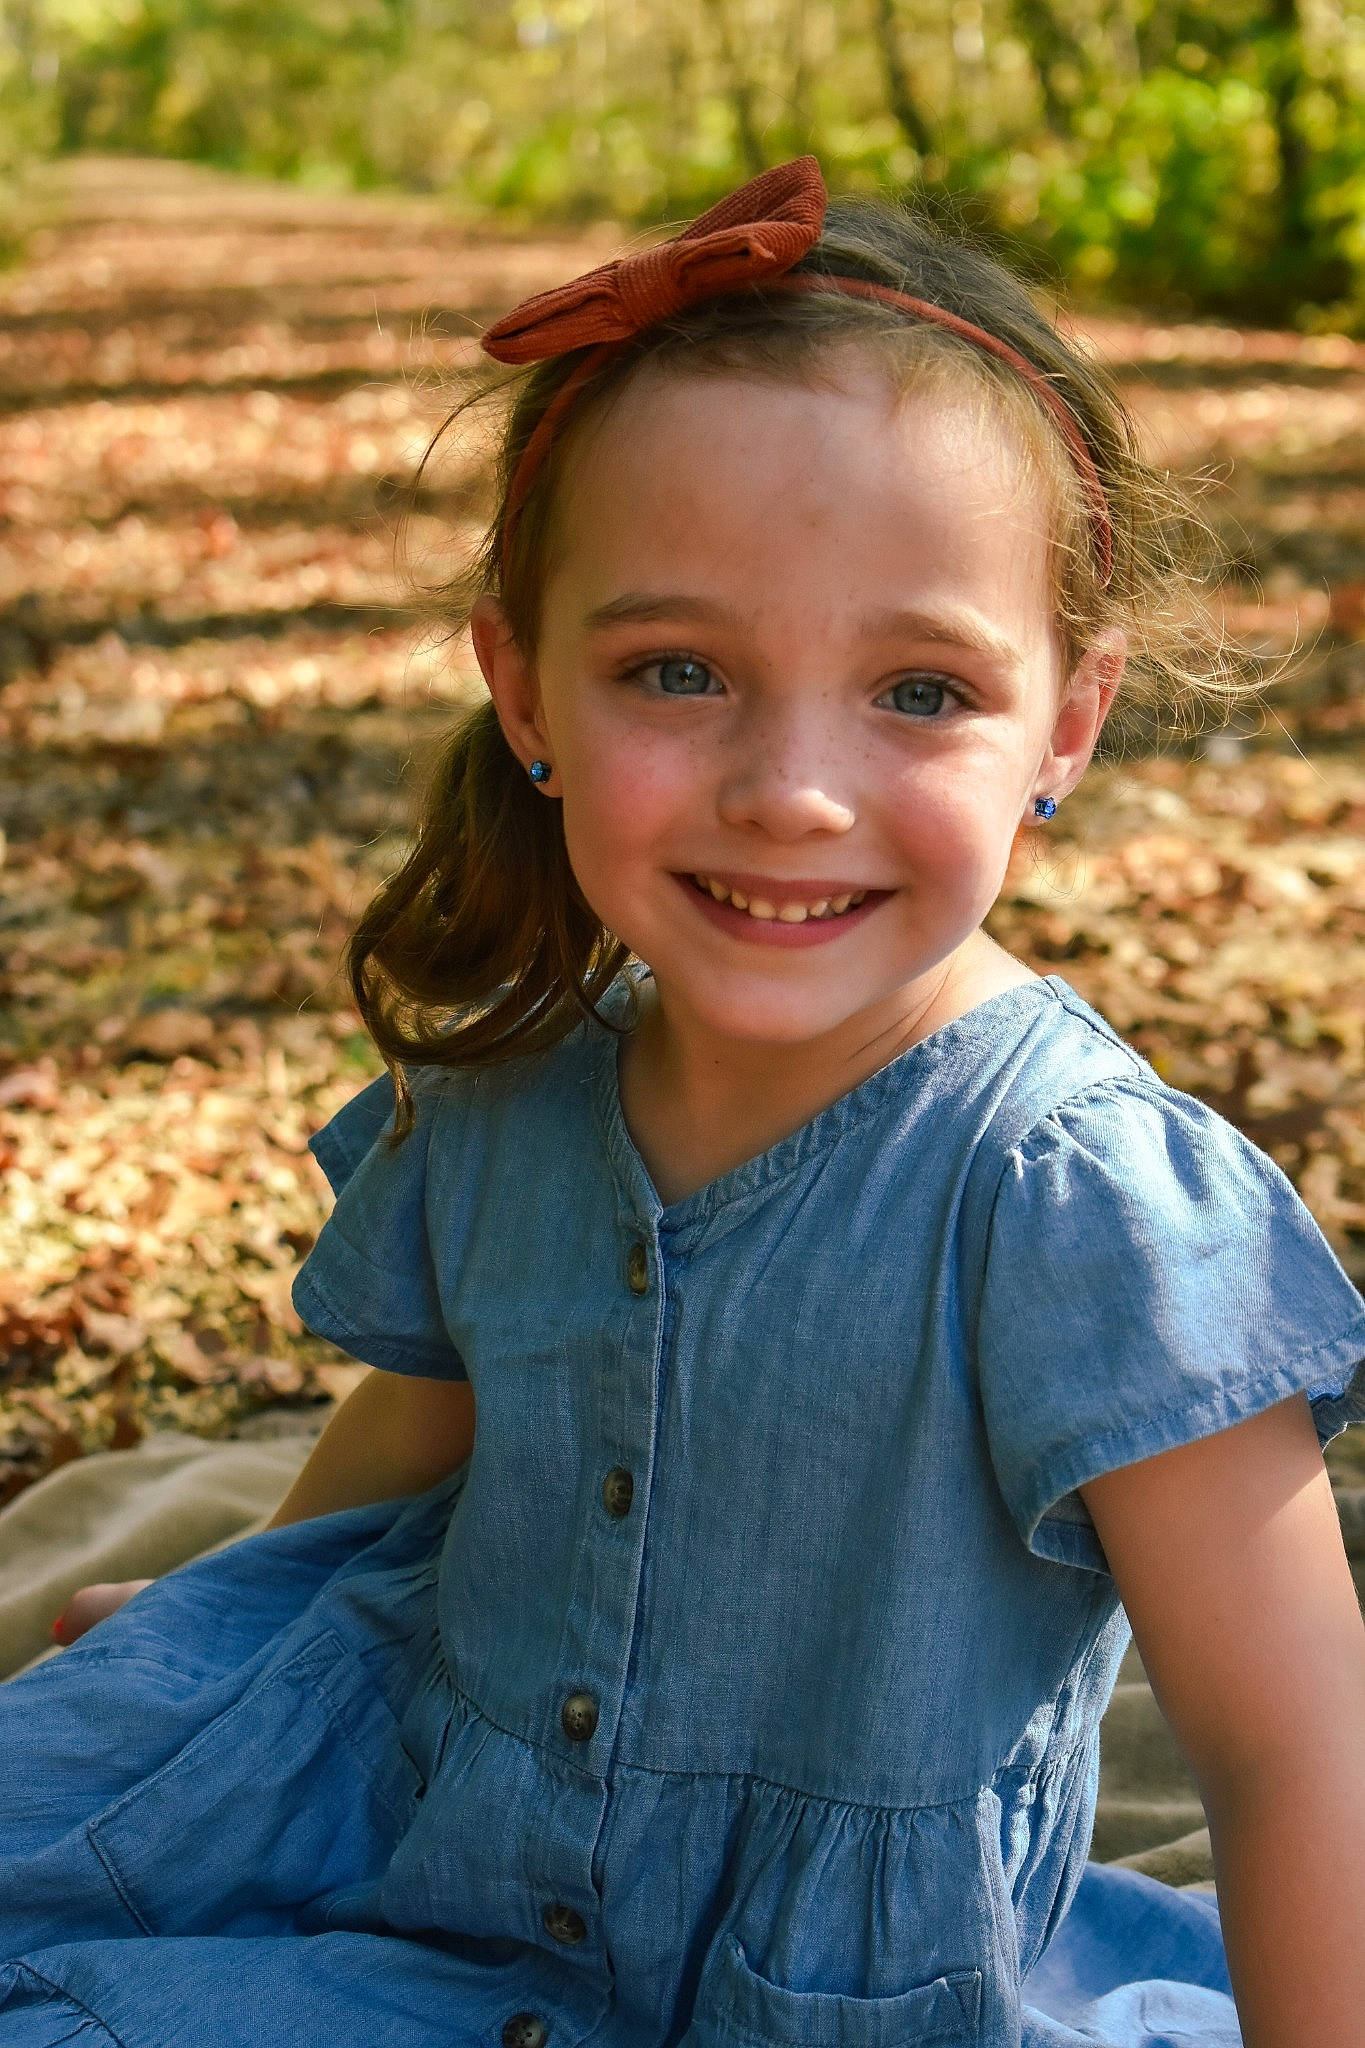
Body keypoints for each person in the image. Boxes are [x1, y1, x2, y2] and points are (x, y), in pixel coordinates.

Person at [3, 156, 1364, 2048]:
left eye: (916, 691)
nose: (790, 791)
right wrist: (211, 1622)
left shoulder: (1080, 1203)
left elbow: (1292, 1743)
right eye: (675, 671)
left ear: (1065, 721)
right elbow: (431, 1410)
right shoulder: (513, 1096)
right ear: (524, 687)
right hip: (433, 1909)